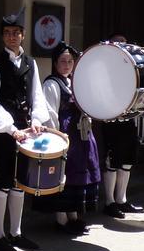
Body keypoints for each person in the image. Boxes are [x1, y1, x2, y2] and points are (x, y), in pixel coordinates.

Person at [0, 8, 49, 251]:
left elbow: (37, 95)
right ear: (2, 37)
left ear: (22, 35)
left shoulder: (31, 63)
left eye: (16, 33)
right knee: (3, 182)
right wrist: (11, 129)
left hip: (28, 131)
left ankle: (16, 233)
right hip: (5, 133)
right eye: (7, 33)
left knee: (21, 184)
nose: (11, 37)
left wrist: (39, 119)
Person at [39, 43, 102, 234]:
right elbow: (50, 113)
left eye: (70, 61)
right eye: (63, 61)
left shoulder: (74, 82)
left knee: (78, 176)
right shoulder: (51, 84)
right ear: (55, 63)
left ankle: (73, 215)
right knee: (64, 175)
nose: (67, 65)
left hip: (81, 134)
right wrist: (57, 138)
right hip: (65, 135)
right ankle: (61, 218)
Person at [99, 33, 144, 218]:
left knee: (126, 162)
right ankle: (109, 202)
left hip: (128, 118)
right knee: (112, 161)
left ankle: (122, 199)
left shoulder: (132, 67)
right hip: (111, 119)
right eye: (118, 43)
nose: (122, 47)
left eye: (124, 44)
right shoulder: (103, 67)